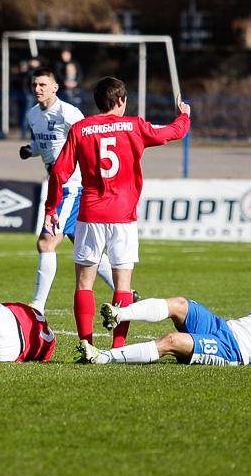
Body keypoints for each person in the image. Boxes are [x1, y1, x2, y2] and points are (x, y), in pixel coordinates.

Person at [44, 77, 190, 349]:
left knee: (84, 283)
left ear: (97, 102)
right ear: (121, 100)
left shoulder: (80, 128)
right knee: (122, 284)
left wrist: (51, 207)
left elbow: (60, 172)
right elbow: (171, 133)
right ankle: (118, 348)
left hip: (90, 214)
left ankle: (85, 345)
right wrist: (184, 116)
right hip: (123, 217)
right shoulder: (135, 126)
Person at [78, 264, 251, 368]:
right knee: (180, 303)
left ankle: (103, 357)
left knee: (172, 340)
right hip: (222, 328)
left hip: (234, 349)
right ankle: (119, 313)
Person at [18, 67, 118, 314]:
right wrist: (31, 150)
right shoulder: (33, 114)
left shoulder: (68, 113)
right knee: (83, 246)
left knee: (46, 243)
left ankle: (37, 307)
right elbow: (47, 144)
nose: (38, 89)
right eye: (35, 85)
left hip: (71, 186)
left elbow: (88, 139)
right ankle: (125, 291)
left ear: (55, 87)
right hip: (57, 185)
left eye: (43, 85)